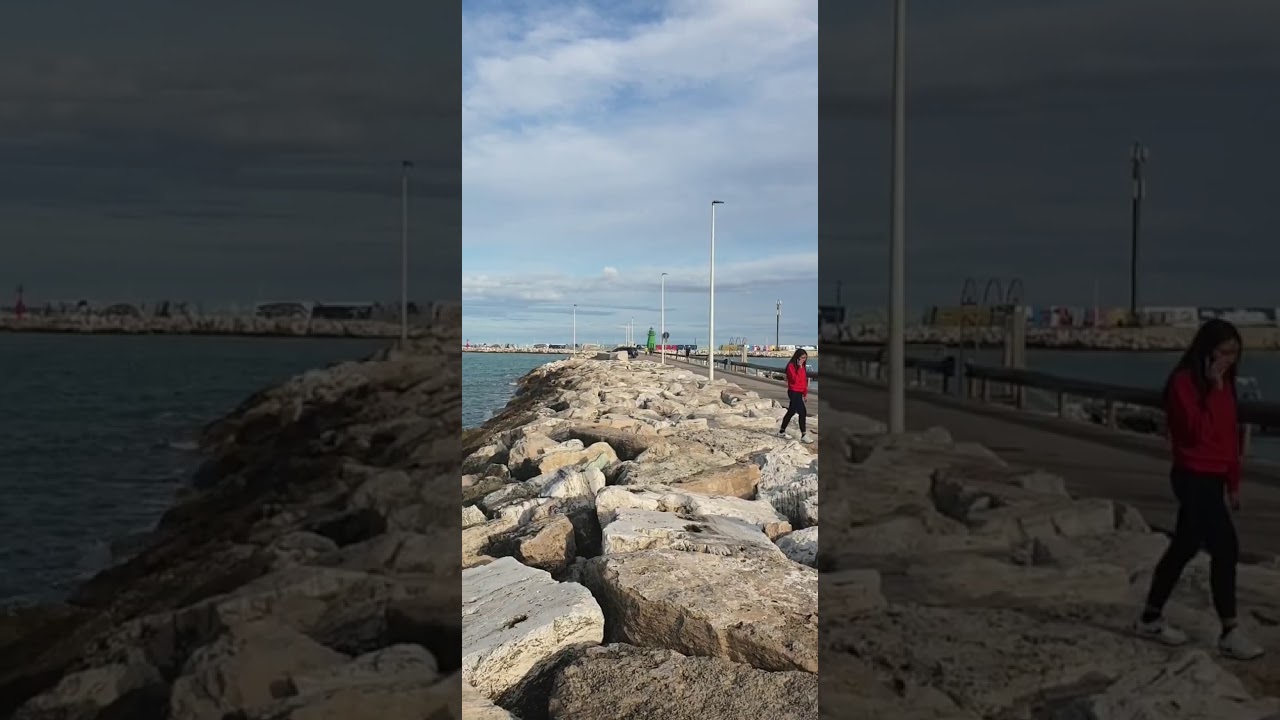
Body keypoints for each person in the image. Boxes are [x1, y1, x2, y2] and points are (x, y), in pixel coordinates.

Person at [1134, 318, 1263, 660]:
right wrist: (1213, 389)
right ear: (1206, 351)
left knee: (1185, 546)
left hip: (1215, 478)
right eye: (1223, 353)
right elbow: (1195, 433)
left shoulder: (1227, 385)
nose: (1228, 360)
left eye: (1234, 354)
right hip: (1192, 476)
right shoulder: (1183, 383)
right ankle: (1230, 631)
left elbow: (1229, 438)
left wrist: (1233, 484)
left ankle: (1150, 617)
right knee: (1226, 547)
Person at [779, 349, 812, 444]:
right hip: (793, 392)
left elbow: (803, 381)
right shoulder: (791, 366)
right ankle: (804, 435)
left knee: (791, 412)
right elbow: (794, 380)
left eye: (805, 358)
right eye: (802, 358)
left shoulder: (803, 367)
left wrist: (805, 394)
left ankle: (781, 431)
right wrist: (799, 368)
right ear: (797, 357)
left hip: (800, 392)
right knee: (802, 412)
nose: (803, 360)